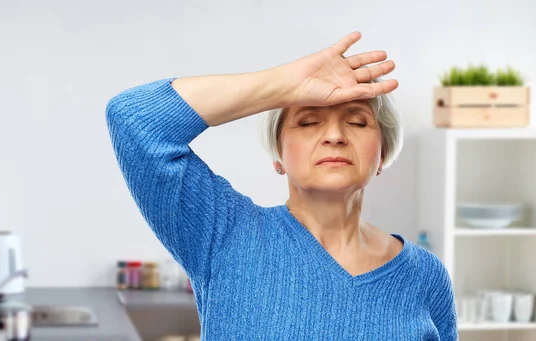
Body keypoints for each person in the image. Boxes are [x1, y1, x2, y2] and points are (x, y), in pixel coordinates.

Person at [106, 31, 457, 340]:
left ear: (381, 154)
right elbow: (134, 119)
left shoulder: (426, 276)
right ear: (278, 155)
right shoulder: (226, 234)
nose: (334, 136)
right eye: (308, 122)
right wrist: (286, 84)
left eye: (356, 121)